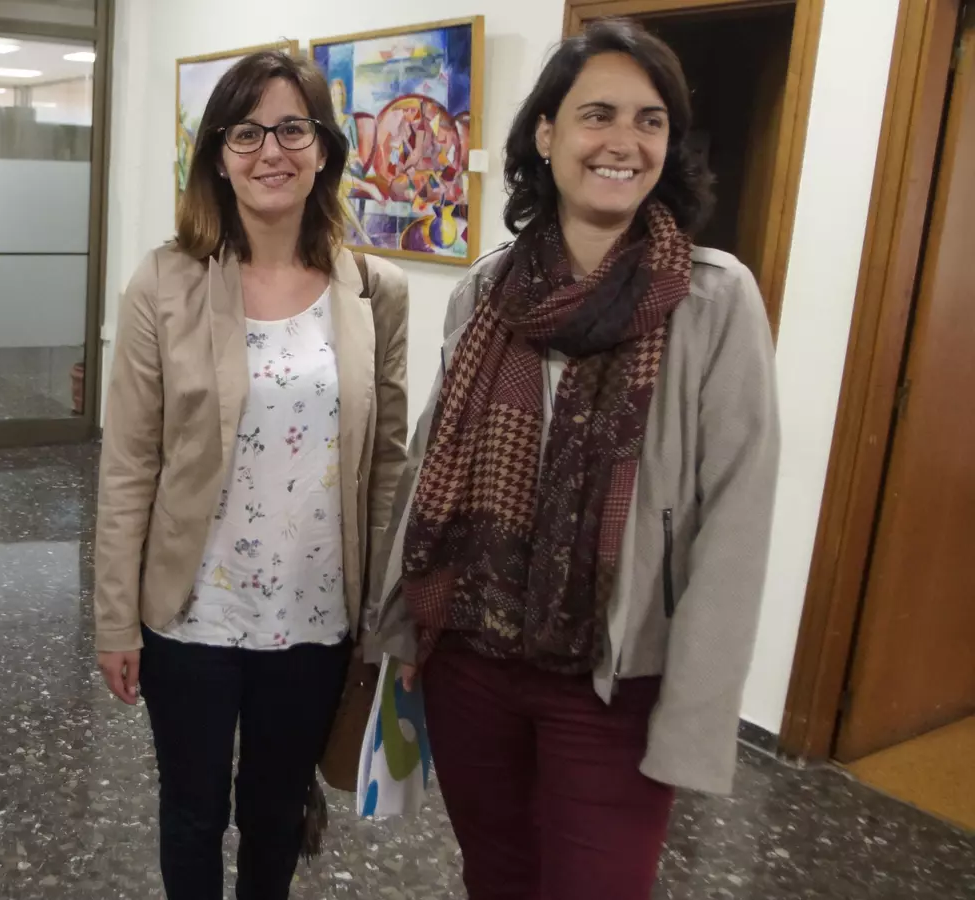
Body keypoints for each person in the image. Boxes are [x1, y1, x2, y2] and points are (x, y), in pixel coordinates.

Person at [367, 19, 779, 900]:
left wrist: (694, 714)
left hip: (612, 682)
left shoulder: (713, 301)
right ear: (547, 135)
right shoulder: (488, 290)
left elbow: (736, 527)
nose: (624, 142)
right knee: (497, 876)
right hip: (472, 660)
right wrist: (406, 627)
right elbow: (434, 461)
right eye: (599, 114)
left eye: (650, 120)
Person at [95, 50, 409, 900]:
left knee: (276, 814)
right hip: (192, 613)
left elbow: (387, 466)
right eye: (246, 132)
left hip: (316, 616)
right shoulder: (166, 282)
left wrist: (384, 621)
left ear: (324, 148)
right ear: (218, 155)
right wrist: (115, 619)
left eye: (292, 128)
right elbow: (129, 465)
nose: (271, 151)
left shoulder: (373, 290)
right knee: (192, 813)